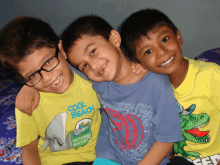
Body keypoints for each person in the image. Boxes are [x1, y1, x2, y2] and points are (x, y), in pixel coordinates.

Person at [15, 15, 184, 165]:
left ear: (114, 39)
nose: (93, 65)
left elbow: (167, 139)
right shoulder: (99, 81)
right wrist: (28, 87)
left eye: (93, 52)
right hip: (109, 157)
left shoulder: (157, 84)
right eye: (84, 66)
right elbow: (52, 72)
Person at [120, 8, 220, 165]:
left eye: (164, 40)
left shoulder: (210, 76)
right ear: (140, 63)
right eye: (148, 52)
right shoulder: (153, 88)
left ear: (178, 37)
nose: (161, 52)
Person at [0, 16, 102, 165]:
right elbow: (29, 148)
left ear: (61, 49)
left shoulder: (92, 81)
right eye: (32, 75)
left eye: (48, 61)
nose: (47, 78)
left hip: (96, 158)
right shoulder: (27, 103)